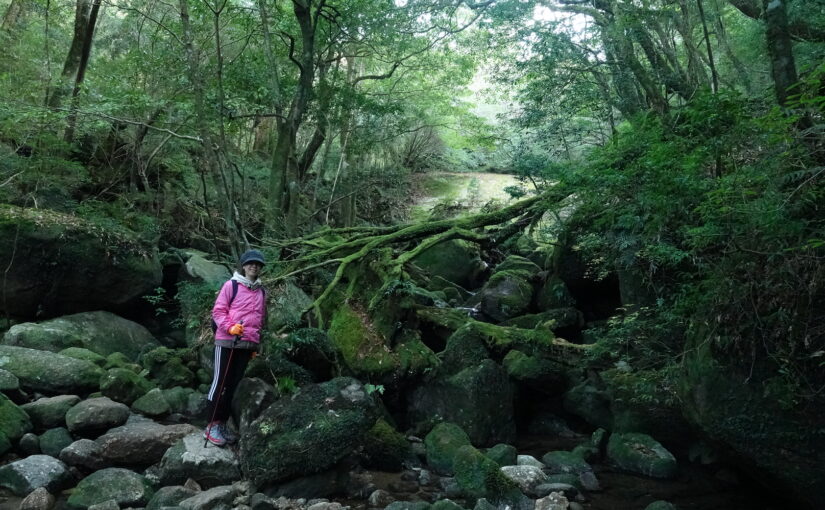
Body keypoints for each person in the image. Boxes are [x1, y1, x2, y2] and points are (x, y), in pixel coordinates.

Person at [203, 249, 267, 446]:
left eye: (257, 264)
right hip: (227, 341)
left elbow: (260, 320)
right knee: (220, 382)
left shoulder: (262, 291)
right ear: (244, 265)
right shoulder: (232, 286)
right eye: (250, 263)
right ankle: (211, 425)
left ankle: (222, 424)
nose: (254, 266)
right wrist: (230, 327)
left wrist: (255, 345)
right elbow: (218, 311)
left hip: (246, 345)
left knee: (232, 386)